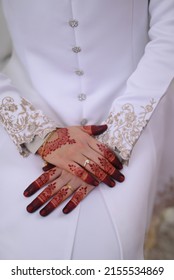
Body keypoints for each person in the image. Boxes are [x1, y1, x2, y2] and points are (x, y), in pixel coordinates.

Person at [0, 0, 174, 260]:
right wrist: (38, 134)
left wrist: (114, 139)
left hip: (133, 108)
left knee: (112, 250)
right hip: (19, 110)